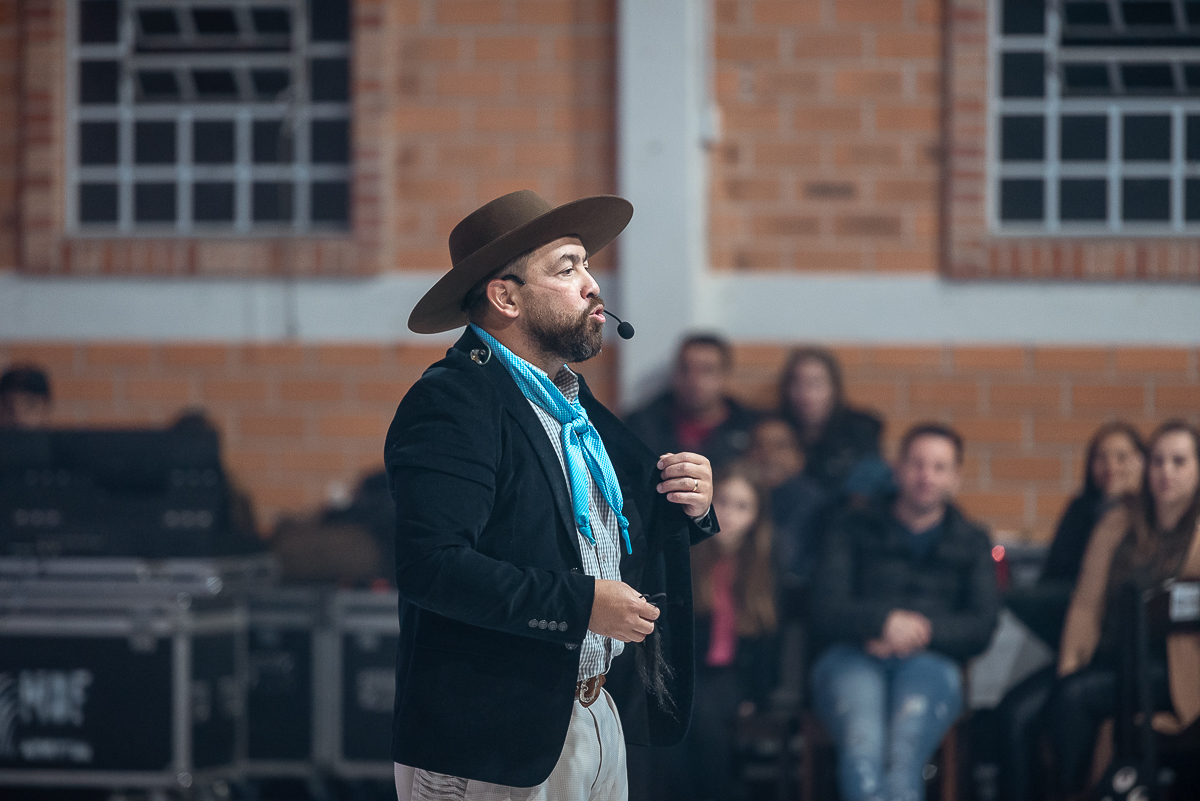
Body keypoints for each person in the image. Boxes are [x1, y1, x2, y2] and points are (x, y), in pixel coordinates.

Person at [386, 190, 717, 800]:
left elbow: (605, 524)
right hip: (494, 736)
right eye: (567, 269)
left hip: (593, 711)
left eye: (587, 265)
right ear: (505, 297)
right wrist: (581, 603)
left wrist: (689, 501)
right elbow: (431, 566)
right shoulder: (455, 400)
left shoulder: (568, 401)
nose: (593, 286)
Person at [808, 423, 1000, 801]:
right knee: (862, 752)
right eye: (917, 464)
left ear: (956, 477)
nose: (927, 476)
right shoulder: (851, 527)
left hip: (932, 662)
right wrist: (882, 623)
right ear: (898, 469)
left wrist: (917, 632)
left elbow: (982, 625)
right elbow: (823, 607)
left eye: (939, 467)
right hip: (852, 656)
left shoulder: (973, 541)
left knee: (904, 757)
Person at [994, 422, 1145, 801]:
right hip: (1077, 654)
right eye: (1101, 457)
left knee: (1069, 705)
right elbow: (1054, 587)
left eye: (1122, 456)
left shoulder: (1151, 522)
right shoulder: (1081, 512)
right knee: (1013, 715)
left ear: (1142, 462)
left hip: (1125, 660)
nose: (1111, 466)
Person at [1048, 420, 1200, 795]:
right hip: (1113, 655)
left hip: (1180, 667)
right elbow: (1086, 604)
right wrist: (1071, 662)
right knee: (1053, 698)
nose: (1166, 472)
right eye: (1158, 461)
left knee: (1074, 698)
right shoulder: (1119, 522)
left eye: (1179, 462)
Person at [655, 464, 777, 801]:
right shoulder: (688, 552)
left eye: (743, 506)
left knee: (705, 720)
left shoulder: (762, 565)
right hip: (684, 671)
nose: (730, 515)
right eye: (722, 501)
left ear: (756, 517)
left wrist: (757, 697)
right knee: (682, 722)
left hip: (731, 676)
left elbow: (767, 640)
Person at [626, 334, 758, 469]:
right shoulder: (640, 425)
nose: (694, 380)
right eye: (685, 369)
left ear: (725, 375)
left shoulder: (752, 427)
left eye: (707, 370)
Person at [779, 346, 882, 493]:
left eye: (815, 384)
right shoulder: (775, 431)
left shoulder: (860, 431)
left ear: (833, 389)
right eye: (798, 384)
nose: (806, 394)